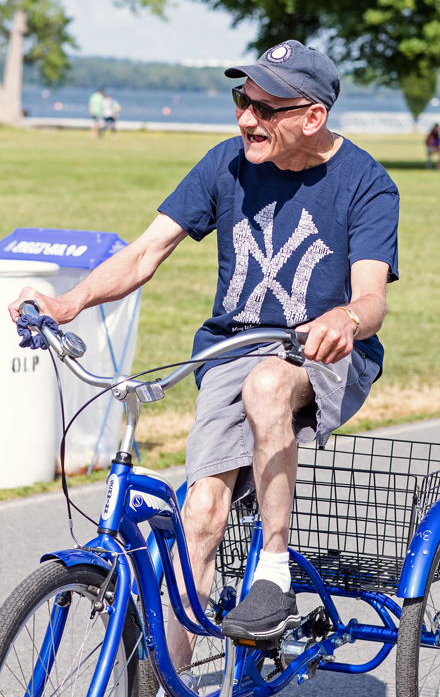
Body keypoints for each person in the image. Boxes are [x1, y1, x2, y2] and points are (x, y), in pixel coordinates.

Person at [9, 40, 399, 678]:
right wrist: (68, 301)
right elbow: (144, 253)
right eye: (242, 100)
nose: (247, 118)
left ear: (312, 117)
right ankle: (171, 683)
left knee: (271, 385)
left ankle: (274, 570)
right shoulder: (227, 164)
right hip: (230, 350)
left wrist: (345, 319)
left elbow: (372, 298)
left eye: (267, 108)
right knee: (200, 515)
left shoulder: (366, 184)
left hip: (325, 351)